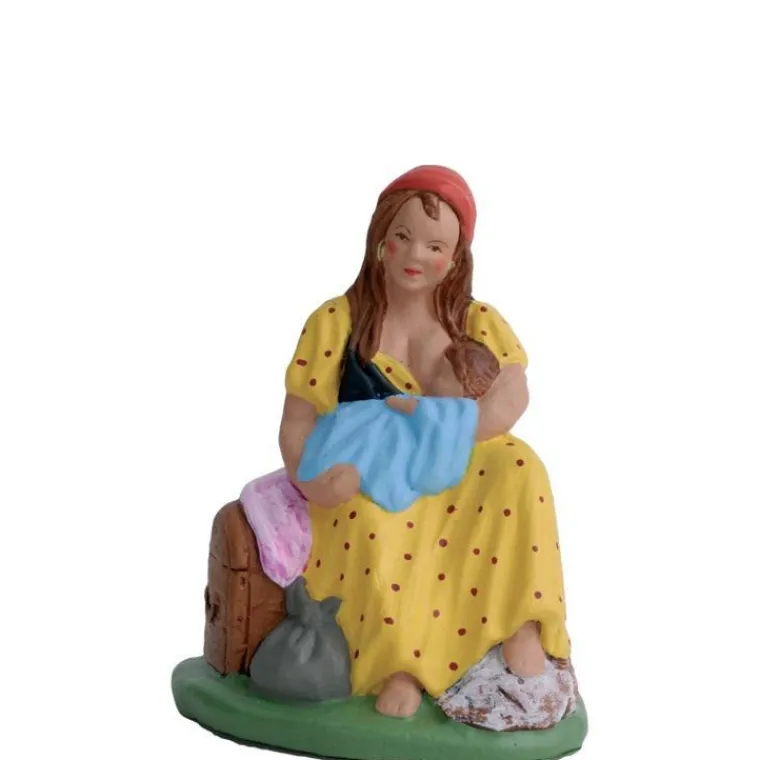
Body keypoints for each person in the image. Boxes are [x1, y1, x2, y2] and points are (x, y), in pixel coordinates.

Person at [278, 165, 571, 720]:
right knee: (375, 519)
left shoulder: (475, 320)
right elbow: (296, 423)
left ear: (455, 259)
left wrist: (442, 431)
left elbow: (512, 394)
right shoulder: (336, 321)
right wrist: (313, 481)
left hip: (449, 458)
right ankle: (399, 667)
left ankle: (522, 624)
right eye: (403, 236)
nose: (416, 254)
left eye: (435, 246)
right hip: (366, 467)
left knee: (520, 465)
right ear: (380, 240)